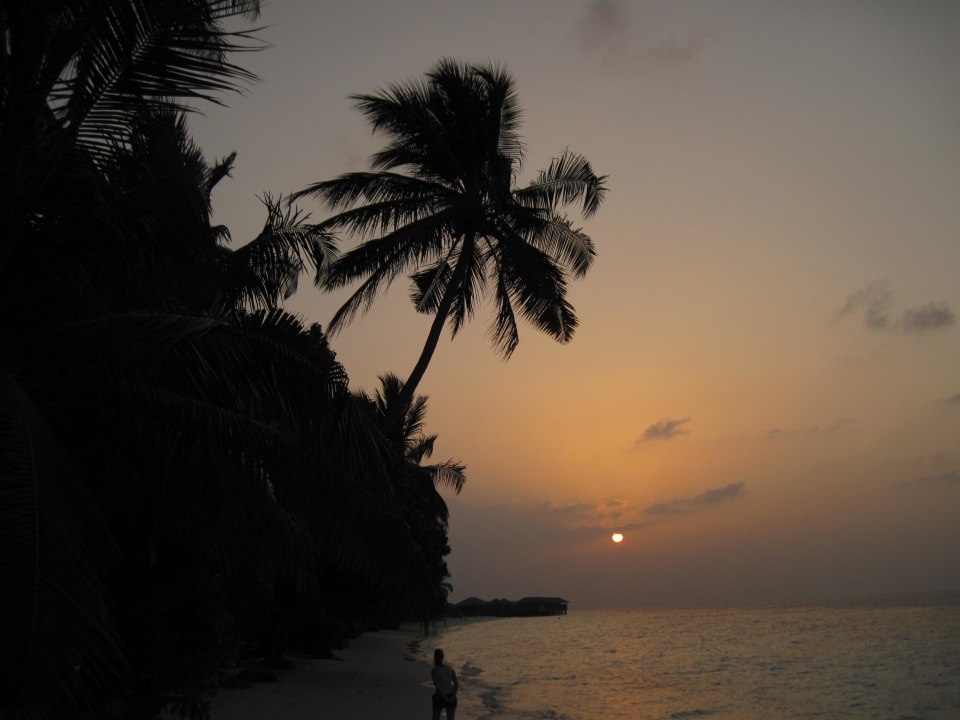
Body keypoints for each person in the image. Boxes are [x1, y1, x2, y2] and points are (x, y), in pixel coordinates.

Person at [430, 648, 459, 720]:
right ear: (443, 657)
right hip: (450, 695)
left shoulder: (434, 670)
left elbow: (438, 687)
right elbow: (456, 684)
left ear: (434, 657)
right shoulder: (450, 669)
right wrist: (452, 697)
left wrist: (445, 698)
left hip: (440, 697)